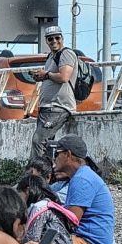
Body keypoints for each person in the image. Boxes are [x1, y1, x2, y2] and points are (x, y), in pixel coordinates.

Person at [47, 136, 114, 244]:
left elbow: (71, 221)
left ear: (68, 155)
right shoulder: (81, 175)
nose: (54, 159)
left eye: (57, 154)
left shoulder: (81, 179)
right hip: (88, 240)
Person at [29, 25, 78, 161]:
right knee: (47, 145)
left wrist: (46, 74)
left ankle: (36, 175)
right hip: (48, 106)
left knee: (38, 141)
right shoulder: (51, 56)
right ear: (46, 41)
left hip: (58, 106)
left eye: (57, 38)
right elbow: (51, 76)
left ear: (62, 38)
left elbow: (64, 77)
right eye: (51, 39)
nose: (54, 41)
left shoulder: (66, 54)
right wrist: (42, 76)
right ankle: (48, 174)